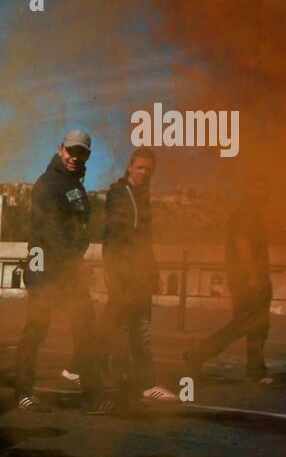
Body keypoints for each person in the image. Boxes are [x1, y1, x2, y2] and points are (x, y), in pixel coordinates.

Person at [12, 129, 113, 414]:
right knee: (36, 331)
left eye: (80, 153)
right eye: (71, 151)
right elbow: (48, 232)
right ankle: (22, 392)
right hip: (46, 267)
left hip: (68, 268)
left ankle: (93, 396)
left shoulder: (76, 185)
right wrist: (73, 263)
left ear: (87, 156)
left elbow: (78, 230)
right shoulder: (47, 183)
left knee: (85, 331)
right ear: (60, 149)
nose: (74, 157)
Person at [184, 175, 276, 386]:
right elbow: (243, 245)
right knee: (243, 325)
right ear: (248, 192)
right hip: (248, 281)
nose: (263, 193)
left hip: (251, 279)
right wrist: (254, 277)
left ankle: (256, 371)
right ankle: (197, 355)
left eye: (266, 189)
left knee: (258, 327)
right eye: (258, 188)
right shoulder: (246, 215)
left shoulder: (250, 214)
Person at [100, 148, 175, 401]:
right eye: (141, 167)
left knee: (132, 328)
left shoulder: (142, 197)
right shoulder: (119, 194)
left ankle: (95, 370)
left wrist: (153, 272)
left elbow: (146, 240)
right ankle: (144, 382)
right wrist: (113, 272)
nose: (145, 173)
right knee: (123, 328)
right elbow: (112, 237)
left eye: (149, 170)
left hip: (140, 274)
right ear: (130, 166)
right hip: (124, 273)